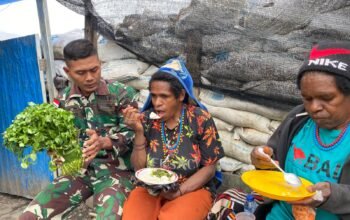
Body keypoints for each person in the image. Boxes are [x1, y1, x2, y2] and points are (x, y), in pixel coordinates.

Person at [19, 39, 137, 219]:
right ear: (68, 72)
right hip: (79, 174)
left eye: (94, 70)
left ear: (100, 64)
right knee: (29, 216)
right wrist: (58, 155)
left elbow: (135, 134)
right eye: (81, 72)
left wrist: (104, 142)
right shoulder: (62, 101)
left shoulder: (121, 94)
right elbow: (57, 143)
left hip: (116, 173)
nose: (89, 77)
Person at [249, 40, 350, 219]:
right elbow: (274, 170)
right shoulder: (298, 119)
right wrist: (263, 161)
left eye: (326, 98)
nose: (314, 107)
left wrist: (332, 194)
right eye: (307, 98)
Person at [121, 58, 225, 220]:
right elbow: (139, 168)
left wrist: (180, 191)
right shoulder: (147, 119)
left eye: (164, 96)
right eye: (154, 96)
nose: (157, 103)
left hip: (192, 188)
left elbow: (209, 168)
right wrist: (139, 132)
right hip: (150, 188)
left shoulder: (199, 119)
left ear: (181, 95)